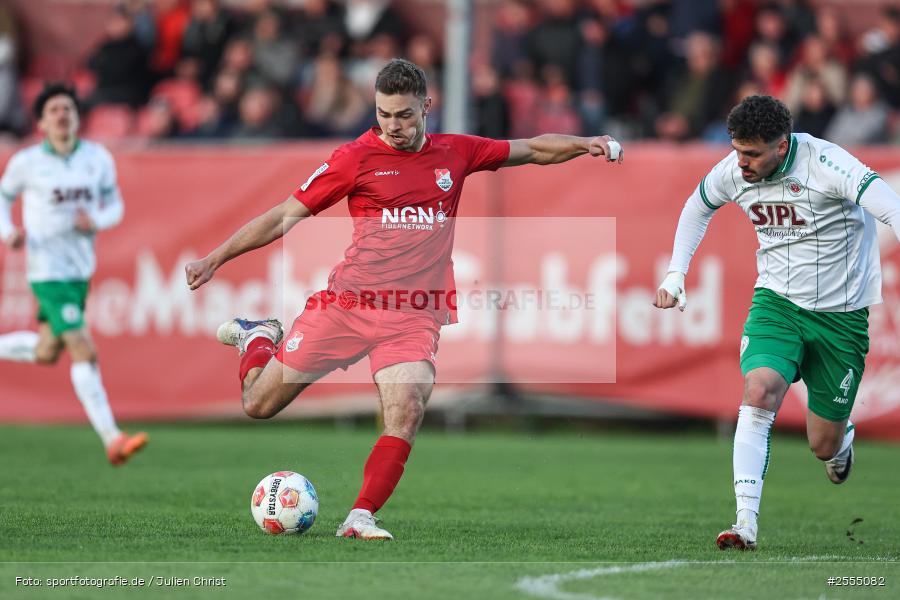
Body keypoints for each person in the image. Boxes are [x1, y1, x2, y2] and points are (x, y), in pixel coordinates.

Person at [184, 58, 623, 540]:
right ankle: (258, 337)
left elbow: (533, 149)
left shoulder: (457, 152)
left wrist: (584, 144)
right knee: (257, 405)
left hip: (413, 313)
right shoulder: (355, 158)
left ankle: (360, 516)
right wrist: (215, 258)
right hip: (346, 306)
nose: (393, 126)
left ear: (426, 107)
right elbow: (284, 216)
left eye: (404, 115)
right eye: (384, 114)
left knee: (407, 407)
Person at [653, 95, 900, 550]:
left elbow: (887, 203)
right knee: (759, 389)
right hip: (778, 304)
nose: (740, 163)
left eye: (751, 153)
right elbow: (697, 206)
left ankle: (841, 441)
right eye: (736, 150)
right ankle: (744, 522)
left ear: (782, 146)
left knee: (821, 444)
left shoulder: (826, 162)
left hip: (841, 318)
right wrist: (676, 271)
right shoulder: (733, 169)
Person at [0, 83, 148, 465]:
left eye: (68, 108)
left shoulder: (96, 158)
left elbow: (114, 205)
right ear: (43, 121)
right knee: (83, 348)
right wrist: (8, 232)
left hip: (79, 268)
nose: (62, 115)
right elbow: (3, 196)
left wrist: (94, 220)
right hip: (46, 269)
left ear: (78, 116)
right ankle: (112, 438)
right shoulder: (27, 162)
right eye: (54, 110)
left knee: (47, 351)